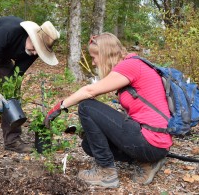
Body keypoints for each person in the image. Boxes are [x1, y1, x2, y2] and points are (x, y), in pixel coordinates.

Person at [44, 33, 172, 188]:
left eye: (94, 57)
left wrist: (60, 106)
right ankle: (148, 162)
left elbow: (90, 91)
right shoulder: (130, 64)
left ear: (104, 54)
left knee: (86, 107)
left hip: (150, 141)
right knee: (88, 145)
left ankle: (106, 173)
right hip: (153, 143)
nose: (93, 62)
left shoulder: (130, 65)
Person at [0, 16, 60, 163]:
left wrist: (8, 97)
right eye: (36, 49)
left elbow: (16, 76)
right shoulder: (10, 30)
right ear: (31, 37)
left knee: (11, 91)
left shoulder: (34, 52)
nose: (35, 54)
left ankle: (12, 140)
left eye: (39, 52)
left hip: (1, 55)